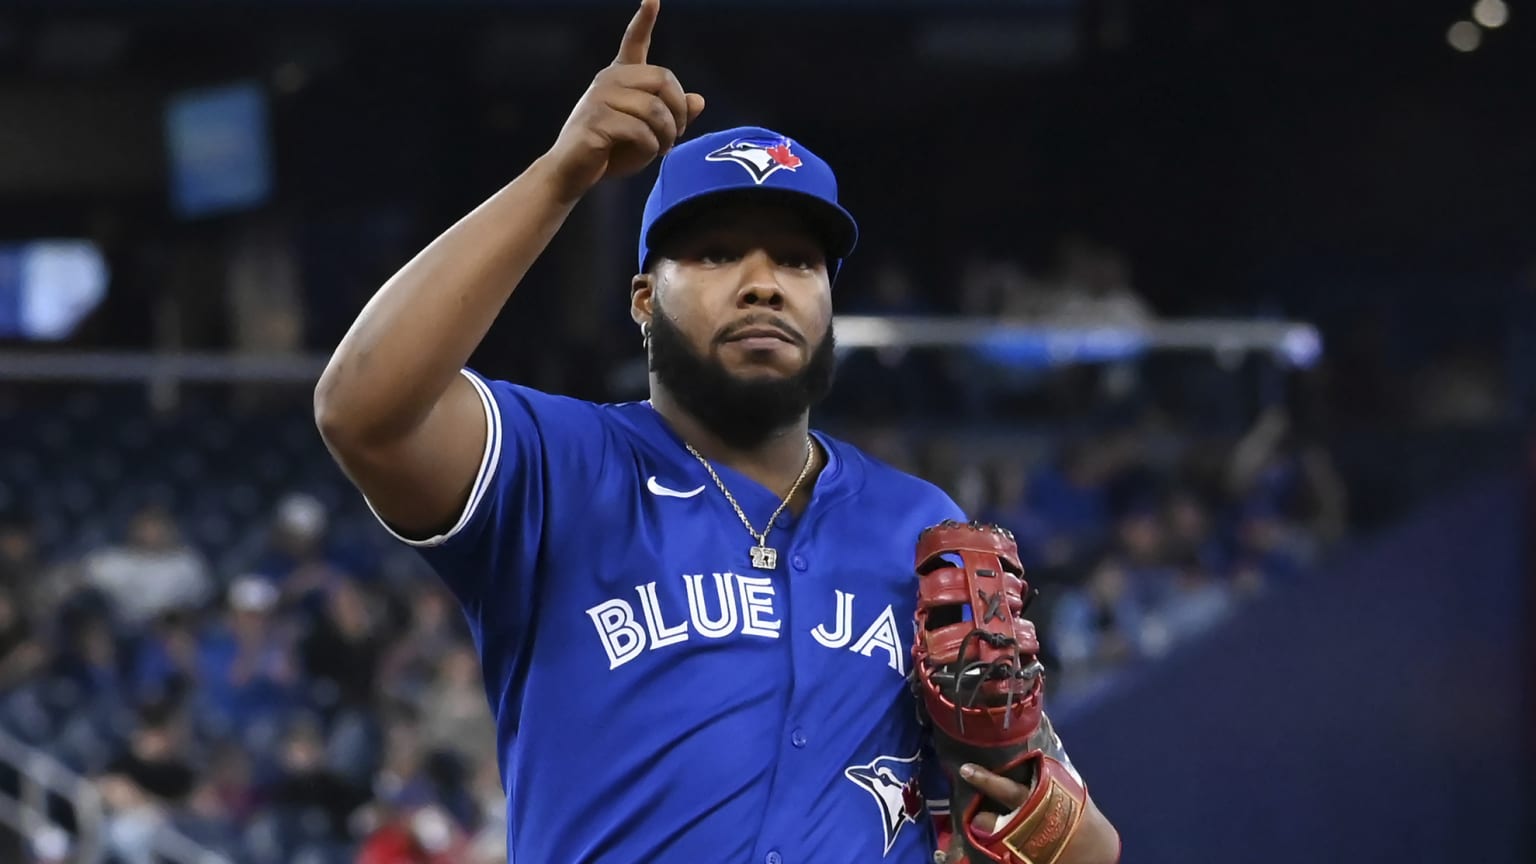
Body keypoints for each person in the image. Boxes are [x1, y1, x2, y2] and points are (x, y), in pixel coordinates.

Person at [315, 1, 1120, 861]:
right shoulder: (557, 466)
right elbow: (361, 409)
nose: (763, 283)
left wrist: (1034, 807)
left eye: (798, 261)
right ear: (642, 301)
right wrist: (561, 175)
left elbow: (1076, 839)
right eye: (716, 253)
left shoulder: (919, 524)